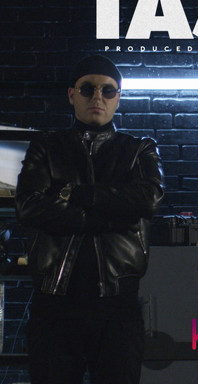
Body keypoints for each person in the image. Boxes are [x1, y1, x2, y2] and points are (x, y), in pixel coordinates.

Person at [15, 55, 164, 384]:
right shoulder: (46, 146)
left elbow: (149, 199)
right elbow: (29, 207)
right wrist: (110, 218)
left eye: (108, 91)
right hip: (54, 303)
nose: (98, 97)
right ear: (72, 95)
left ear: (118, 98)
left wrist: (72, 193)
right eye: (88, 89)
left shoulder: (139, 149)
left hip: (117, 305)